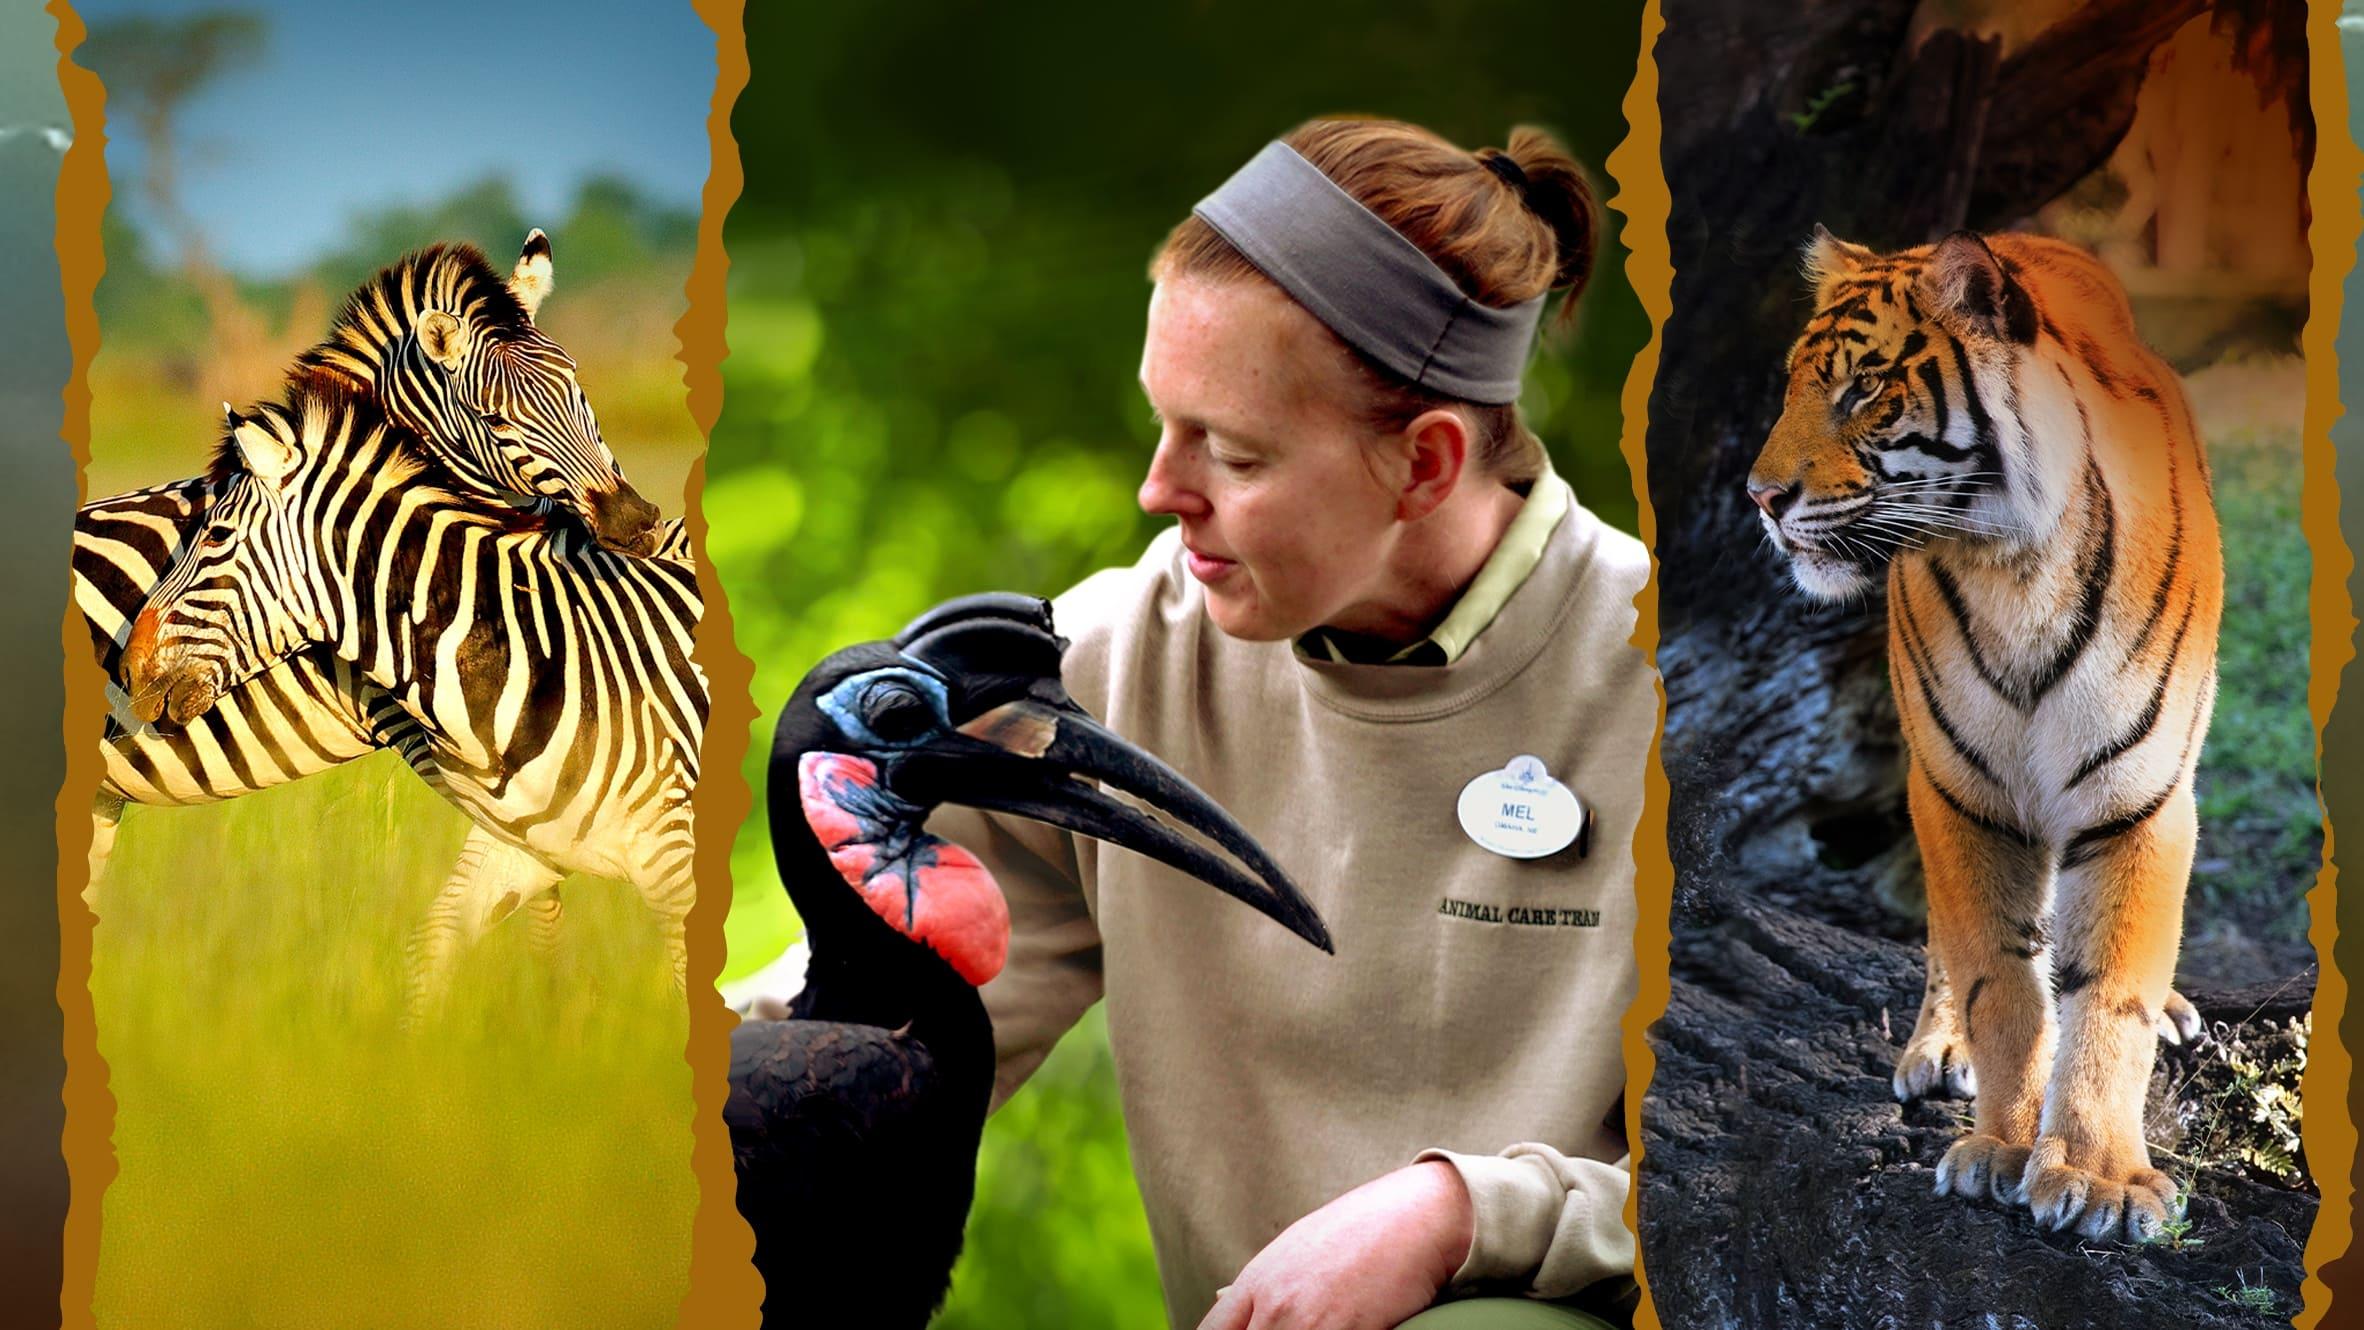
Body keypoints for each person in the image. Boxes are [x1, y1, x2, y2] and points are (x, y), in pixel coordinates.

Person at [941, 117, 1655, 1330]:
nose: (1158, 491)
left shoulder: (1702, 696)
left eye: (1229, 451)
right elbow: (890, 1015)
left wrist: (1462, 1216)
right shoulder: (1110, 667)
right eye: (1162, 422)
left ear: (1426, 465)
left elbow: (1825, 1174)